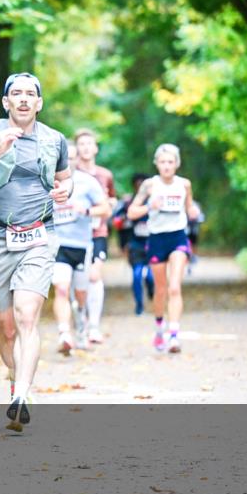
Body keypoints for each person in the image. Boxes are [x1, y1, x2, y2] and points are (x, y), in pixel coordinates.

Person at [0, 72, 72, 431]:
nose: (23, 99)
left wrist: (65, 191)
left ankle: (21, 395)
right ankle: (14, 377)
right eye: (16, 94)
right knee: (6, 327)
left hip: (39, 236)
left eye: (30, 94)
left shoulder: (54, 139)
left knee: (26, 316)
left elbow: (65, 178)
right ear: (5, 101)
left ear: (39, 103)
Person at [127, 144, 200, 353]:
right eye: (162, 162)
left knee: (174, 287)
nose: (166, 166)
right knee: (160, 290)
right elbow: (131, 212)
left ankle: (174, 335)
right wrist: (149, 206)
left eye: (170, 162)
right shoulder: (149, 185)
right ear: (156, 164)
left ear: (177, 164)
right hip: (157, 239)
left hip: (178, 237)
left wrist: (193, 211)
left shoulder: (184, 184)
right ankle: (160, 329)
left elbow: (190, 208)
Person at [51, 144, 110, 355]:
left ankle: (82, 322)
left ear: (77, 160)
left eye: (72, 158)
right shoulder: (46, 181)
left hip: (82, 246)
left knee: (80, 293)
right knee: (61, 289)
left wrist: (85, 210)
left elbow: (105, 209)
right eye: (64, 158)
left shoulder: (88, 182)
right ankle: (64, 333)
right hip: (57, 246)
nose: (68, 162)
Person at [73, 128, 116, 344]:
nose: (85, 148)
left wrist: (107, 206)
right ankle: (80, 320)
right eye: (81, 144)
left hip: (98, 232)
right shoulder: (69, 173)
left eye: (89, 144)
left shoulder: (105, 175)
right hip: (73, 235)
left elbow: (112, 200)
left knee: (94, 276)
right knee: (76, 281)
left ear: (96, 148)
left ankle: (94, 326)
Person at [114, 173, 155, 315]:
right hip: (135, 244)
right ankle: (139, 305)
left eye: (143, 185)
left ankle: (152, 293)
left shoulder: (156, 201)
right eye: (138, 185)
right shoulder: (128, 203)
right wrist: (124, 220)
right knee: (137, 275)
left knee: (150, 276)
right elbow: (116, 221)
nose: (140, 188)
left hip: (153, 244)